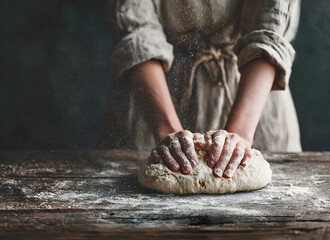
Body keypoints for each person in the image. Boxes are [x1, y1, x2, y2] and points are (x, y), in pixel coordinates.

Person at [101, 0, 302, 178]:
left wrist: (239, 136)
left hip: (253, 101)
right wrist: (167, 131)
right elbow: (138, 32)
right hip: (152, 105)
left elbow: (268, 31)